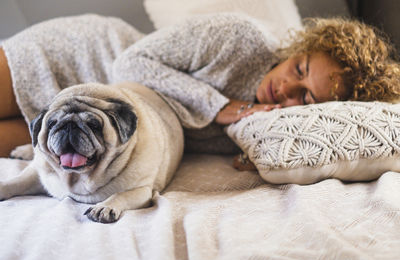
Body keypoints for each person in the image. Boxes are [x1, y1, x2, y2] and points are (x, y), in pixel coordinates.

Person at [0, 13, 399, 158]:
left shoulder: (274, 122)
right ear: (303, 47)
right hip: (83, 55)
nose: (286, 89)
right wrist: (221, 106)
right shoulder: (239, 37)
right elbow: (129, 62)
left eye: (307, 96)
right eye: (299, 68)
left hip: (96, 120)